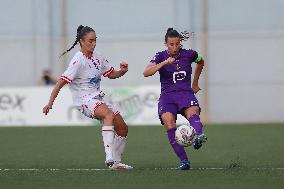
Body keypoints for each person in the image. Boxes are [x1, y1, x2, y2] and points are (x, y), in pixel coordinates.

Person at [43, 25, 133, 169]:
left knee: (122, 128)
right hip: (83, 101)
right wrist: (50, 103)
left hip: (97, 98)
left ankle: (116, 163)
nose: (93, 43)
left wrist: (122, 71)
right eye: (90, 41)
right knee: (108, 115)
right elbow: (60, 83)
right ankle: (109, 157)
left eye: (95, 40)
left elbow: (111, 74)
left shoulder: (99, 57)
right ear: (82, 41)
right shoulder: (78, 61)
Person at [143, 28, 207, 170]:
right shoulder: (160, 56)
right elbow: (146, 72)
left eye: (177, 44)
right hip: (167, 96)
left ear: (180, 43)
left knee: (193, 114)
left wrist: (195, 83)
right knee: (170, 124)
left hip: (185, 93)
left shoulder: (190, 54)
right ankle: (184, 161)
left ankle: (199, 135)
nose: (174, 47)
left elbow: (201, 61)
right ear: (166, 44)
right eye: (171, 44)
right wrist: (164, 63)